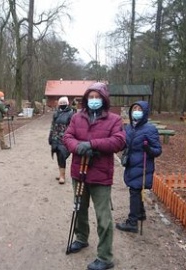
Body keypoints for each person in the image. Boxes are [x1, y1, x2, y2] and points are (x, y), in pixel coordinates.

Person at [63, 82, 126, 270]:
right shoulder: (77, 117)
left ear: (104, 99)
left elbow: (119, 141)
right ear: (85, 99)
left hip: (100, 175)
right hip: (79, 171)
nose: (93, 100)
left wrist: (92, 144)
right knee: (79, 209)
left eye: (97, 97)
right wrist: (78, 147)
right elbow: (67, 137)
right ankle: (81, 238)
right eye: (90, 97)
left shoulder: (114, 120)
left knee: (103, 216)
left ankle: (105, 257)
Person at [116, 101, 162, 233]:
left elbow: (157, 151)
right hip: (131, 164)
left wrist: (148, 149)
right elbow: (125, 143)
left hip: (143, 165)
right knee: (135, 189)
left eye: (139, 109)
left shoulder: (150, 129)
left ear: (145, 112)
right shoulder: (129, 127)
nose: (136, 111)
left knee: (135, 191)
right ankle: (140, 213)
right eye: (134, 108)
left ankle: (132, 222)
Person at [48, 96, 74, 184]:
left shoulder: (71, 113)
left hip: (65, 139)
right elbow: (53, 125)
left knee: (62, 155)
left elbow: (73, 127)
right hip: (55, 138)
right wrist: (50, 136)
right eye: (61, 103)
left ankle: (62, 176)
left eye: (64, 103)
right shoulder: (56, 113)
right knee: (58, 155)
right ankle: (61, 174)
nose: (62, 105)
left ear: (67, 104)